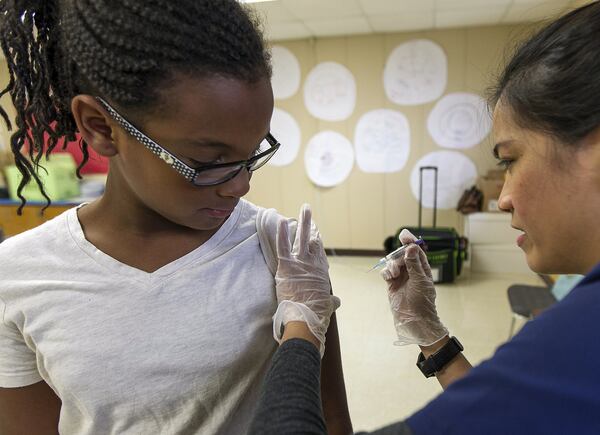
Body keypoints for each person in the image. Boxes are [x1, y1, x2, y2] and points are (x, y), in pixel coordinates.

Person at [0, 1, 352, 434]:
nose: (241, 186)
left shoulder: (285, 252)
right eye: (208, 160)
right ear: (100, 127)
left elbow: (329, 421)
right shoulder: (18, 275)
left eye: (253, 151)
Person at [248, 2, 600, 434]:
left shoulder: (579, 338)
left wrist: (301, 320)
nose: (503, 197)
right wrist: (434, 339)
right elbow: (504, 421)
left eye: (510, 160)